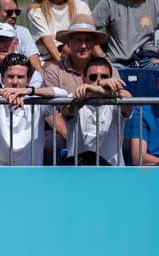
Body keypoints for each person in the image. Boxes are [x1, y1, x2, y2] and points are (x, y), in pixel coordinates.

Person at [0, 53, 67, 165]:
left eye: (20, 77)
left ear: (28, 80)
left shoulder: (37, 101)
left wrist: (29, 91)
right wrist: (0, 92)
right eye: (10, 76)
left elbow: (63, 94)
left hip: (28, 169)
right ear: (2, 78)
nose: (15, 82)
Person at [43, 14, 116, 163]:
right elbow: (50, 111)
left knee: (130, 145)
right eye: (78, 40)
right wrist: (73, 136)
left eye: (88, 40)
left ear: (94, 43)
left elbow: (119, 95)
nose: (83, 46)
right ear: (68, 43)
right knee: (51, 145)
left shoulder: (109, 69)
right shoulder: (53, 70)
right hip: (65, 130)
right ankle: (51, 185)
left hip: (104, 129)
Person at [61, 56, 133, 165]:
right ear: (84, 80)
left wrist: (95, 89)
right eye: (93, 77)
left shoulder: (116, 101)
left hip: (111, 171)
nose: (99, 81)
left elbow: (128, 100)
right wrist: (96, 91)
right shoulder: (75, 98)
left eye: (104, 77)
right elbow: (67, 110)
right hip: (79, 170)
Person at [92, 0, 159, 70]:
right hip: (117, 63)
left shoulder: (156, 3)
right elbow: (89, 30)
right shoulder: (109, 3)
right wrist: (101, 57)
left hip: (148, 61)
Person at [27, 0, 91, 65]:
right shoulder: (36, 11)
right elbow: (48, 41)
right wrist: (61, 64)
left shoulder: (81, 6)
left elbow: (88, 35)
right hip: (49, 57)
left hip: (78, 49)